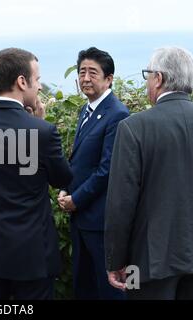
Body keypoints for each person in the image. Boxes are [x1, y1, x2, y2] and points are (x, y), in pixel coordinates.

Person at [0, 48, 73, 300]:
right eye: (38, 79)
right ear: (22, 82)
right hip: (31, 253)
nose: (40, 87)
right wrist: (40, 123)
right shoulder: (42, 132)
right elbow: (62, 179)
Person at [105, 47, 193, 300]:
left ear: (158, 78)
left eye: (148, 75)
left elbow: (121, 202)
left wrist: (116, 260)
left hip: (146, 261)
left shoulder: (133, 127)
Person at [58, 47, 129, 299]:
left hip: (102, 222)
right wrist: (66, 188)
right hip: (81, 220)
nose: (85, 78)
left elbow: (107, 169)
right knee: (84, 286)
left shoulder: (118, 114)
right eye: (81, 72)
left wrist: (76, 199)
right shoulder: (85, 110)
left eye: (92, 73)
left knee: (110, 290)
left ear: (109, 79)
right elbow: (80, 162)